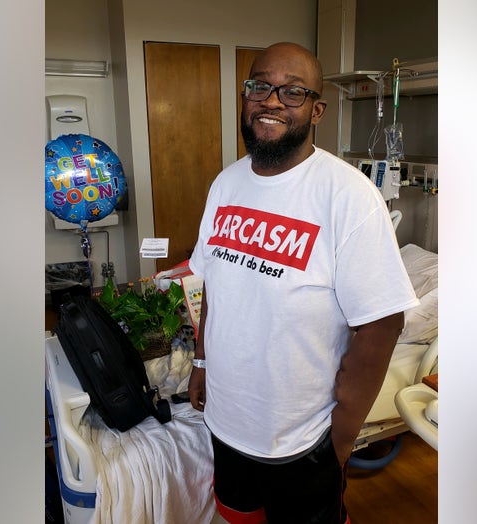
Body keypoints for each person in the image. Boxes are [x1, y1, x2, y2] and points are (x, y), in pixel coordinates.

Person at [187, 42, 419, 524]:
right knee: (238, 517)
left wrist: (342, 435)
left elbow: (382, 322)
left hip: (301, 437)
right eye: (260, 86)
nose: (272, 100)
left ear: (317, 110)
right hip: (227, 421)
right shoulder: (225, 184)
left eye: (292, 92)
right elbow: (214, 283)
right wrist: (202, 361)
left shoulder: (349, 196)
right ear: (246, 95)